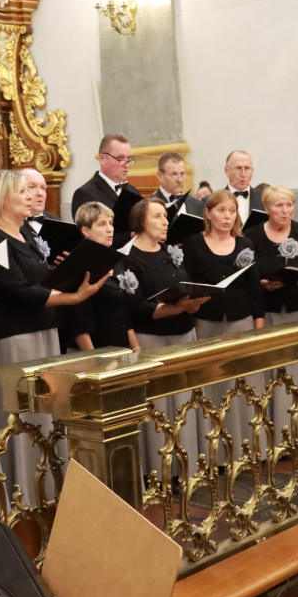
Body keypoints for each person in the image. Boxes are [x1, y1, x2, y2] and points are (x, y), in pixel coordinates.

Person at [0, 169, 108, 503]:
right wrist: (75, 297)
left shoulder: (24, 233)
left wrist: (66, 270)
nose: (30, 197)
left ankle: (52, 490)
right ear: (3, 197)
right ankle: (24, 494)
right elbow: (20, 291)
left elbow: (42, 280)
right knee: (25, 417)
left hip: (45, 331)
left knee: (50, 416)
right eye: (22, 191)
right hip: (19, 338)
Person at [121, 198, 208, 483]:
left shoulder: (170, 253)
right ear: (141, 222)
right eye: (158, 217)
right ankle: (160, 471)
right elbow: (134, 307)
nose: (165, 222)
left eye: (166, 217)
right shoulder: (128, 257)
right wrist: (177, 307)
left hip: (183, 335)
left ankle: (186, 466)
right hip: (153, 339)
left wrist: (191, 302)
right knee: (158, 410)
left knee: (184, 405)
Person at [182, 190, 265, 460]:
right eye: (221, 210)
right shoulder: (194, 243)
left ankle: (248, 448)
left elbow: (254, 286)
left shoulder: (245, 244)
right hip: (207, 321)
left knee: (244, 385)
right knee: (213, 386)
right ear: (208, 213)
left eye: (231, 211)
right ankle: (215, 451)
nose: (227, 216)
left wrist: (259, 322)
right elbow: (189, 282)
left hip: (240, 321)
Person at [245, 185, 298, 438]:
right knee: (275, 376)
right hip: (269, 314)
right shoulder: (252, 236)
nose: (285, 210)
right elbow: (247, 276)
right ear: (267, 208)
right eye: (279, 205)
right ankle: (276, 436)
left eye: (289, 205)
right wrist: (262, 284)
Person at [68, 201, 139, 352]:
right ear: (86, 231)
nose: (109, 229)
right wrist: (94, 359)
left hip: (120, 346)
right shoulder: (79, 264)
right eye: (102, 224)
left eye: (111, 223)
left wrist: (136, 349)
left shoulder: (115, 260)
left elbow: (123, 312)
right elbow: (79, 324)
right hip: (96, 351)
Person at [70, 133, 142, 246]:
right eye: (120, 158)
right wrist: (131, 236)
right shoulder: (84, 194)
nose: (126, 164)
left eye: (128, 159)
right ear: (102, 159)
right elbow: (87, 240)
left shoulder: (134, 191)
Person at [154, 151, 204, 216]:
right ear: (160, 176)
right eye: (174, 174)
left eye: (182, 174)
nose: (180, 179)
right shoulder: (149, 206)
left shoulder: (197, 205)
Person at [220, 150, 263, 223]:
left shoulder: (264, 198)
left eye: (247, 168)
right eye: (238, 168)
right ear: (226, 171)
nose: (243, 174)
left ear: (252, 170)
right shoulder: (212, 201)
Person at [22, 168, 58, 236]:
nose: (40, 193)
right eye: (32, 187)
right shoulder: (11, 224)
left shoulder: (58, 223)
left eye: (43, 188)